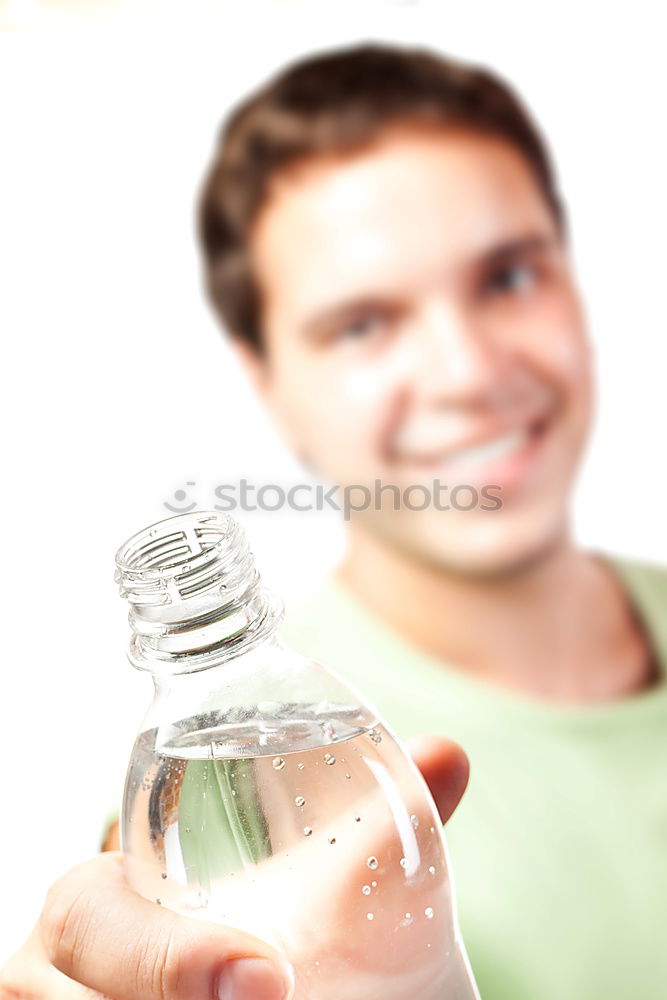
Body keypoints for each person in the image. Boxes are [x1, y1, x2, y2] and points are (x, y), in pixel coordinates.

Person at [3, 43, 666, 1000]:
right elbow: (151, 940)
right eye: (361, 324)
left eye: (508, 277)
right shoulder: (248, 783)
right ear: (265, 382)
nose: (466, 372)